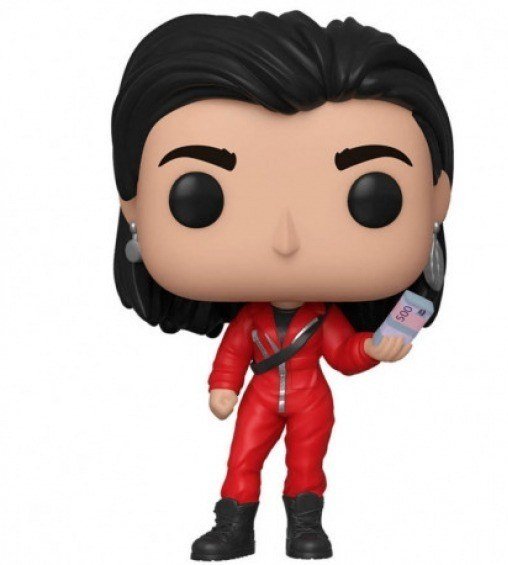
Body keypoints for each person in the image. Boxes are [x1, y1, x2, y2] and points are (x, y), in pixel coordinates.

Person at [111, 11, 453, 561]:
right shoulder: (252, 320)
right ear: (134, 204)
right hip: (262, 393)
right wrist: (223, 385)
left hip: (311, 395)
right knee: (243, 456)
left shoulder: (322, 318)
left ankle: (305, 528)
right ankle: (234, 527)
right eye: (199, 196)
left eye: (373, 196)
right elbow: (233, 354)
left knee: (307, 462)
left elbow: (342, 352)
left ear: (438, 197)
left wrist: (373, 348)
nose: (286, 240)